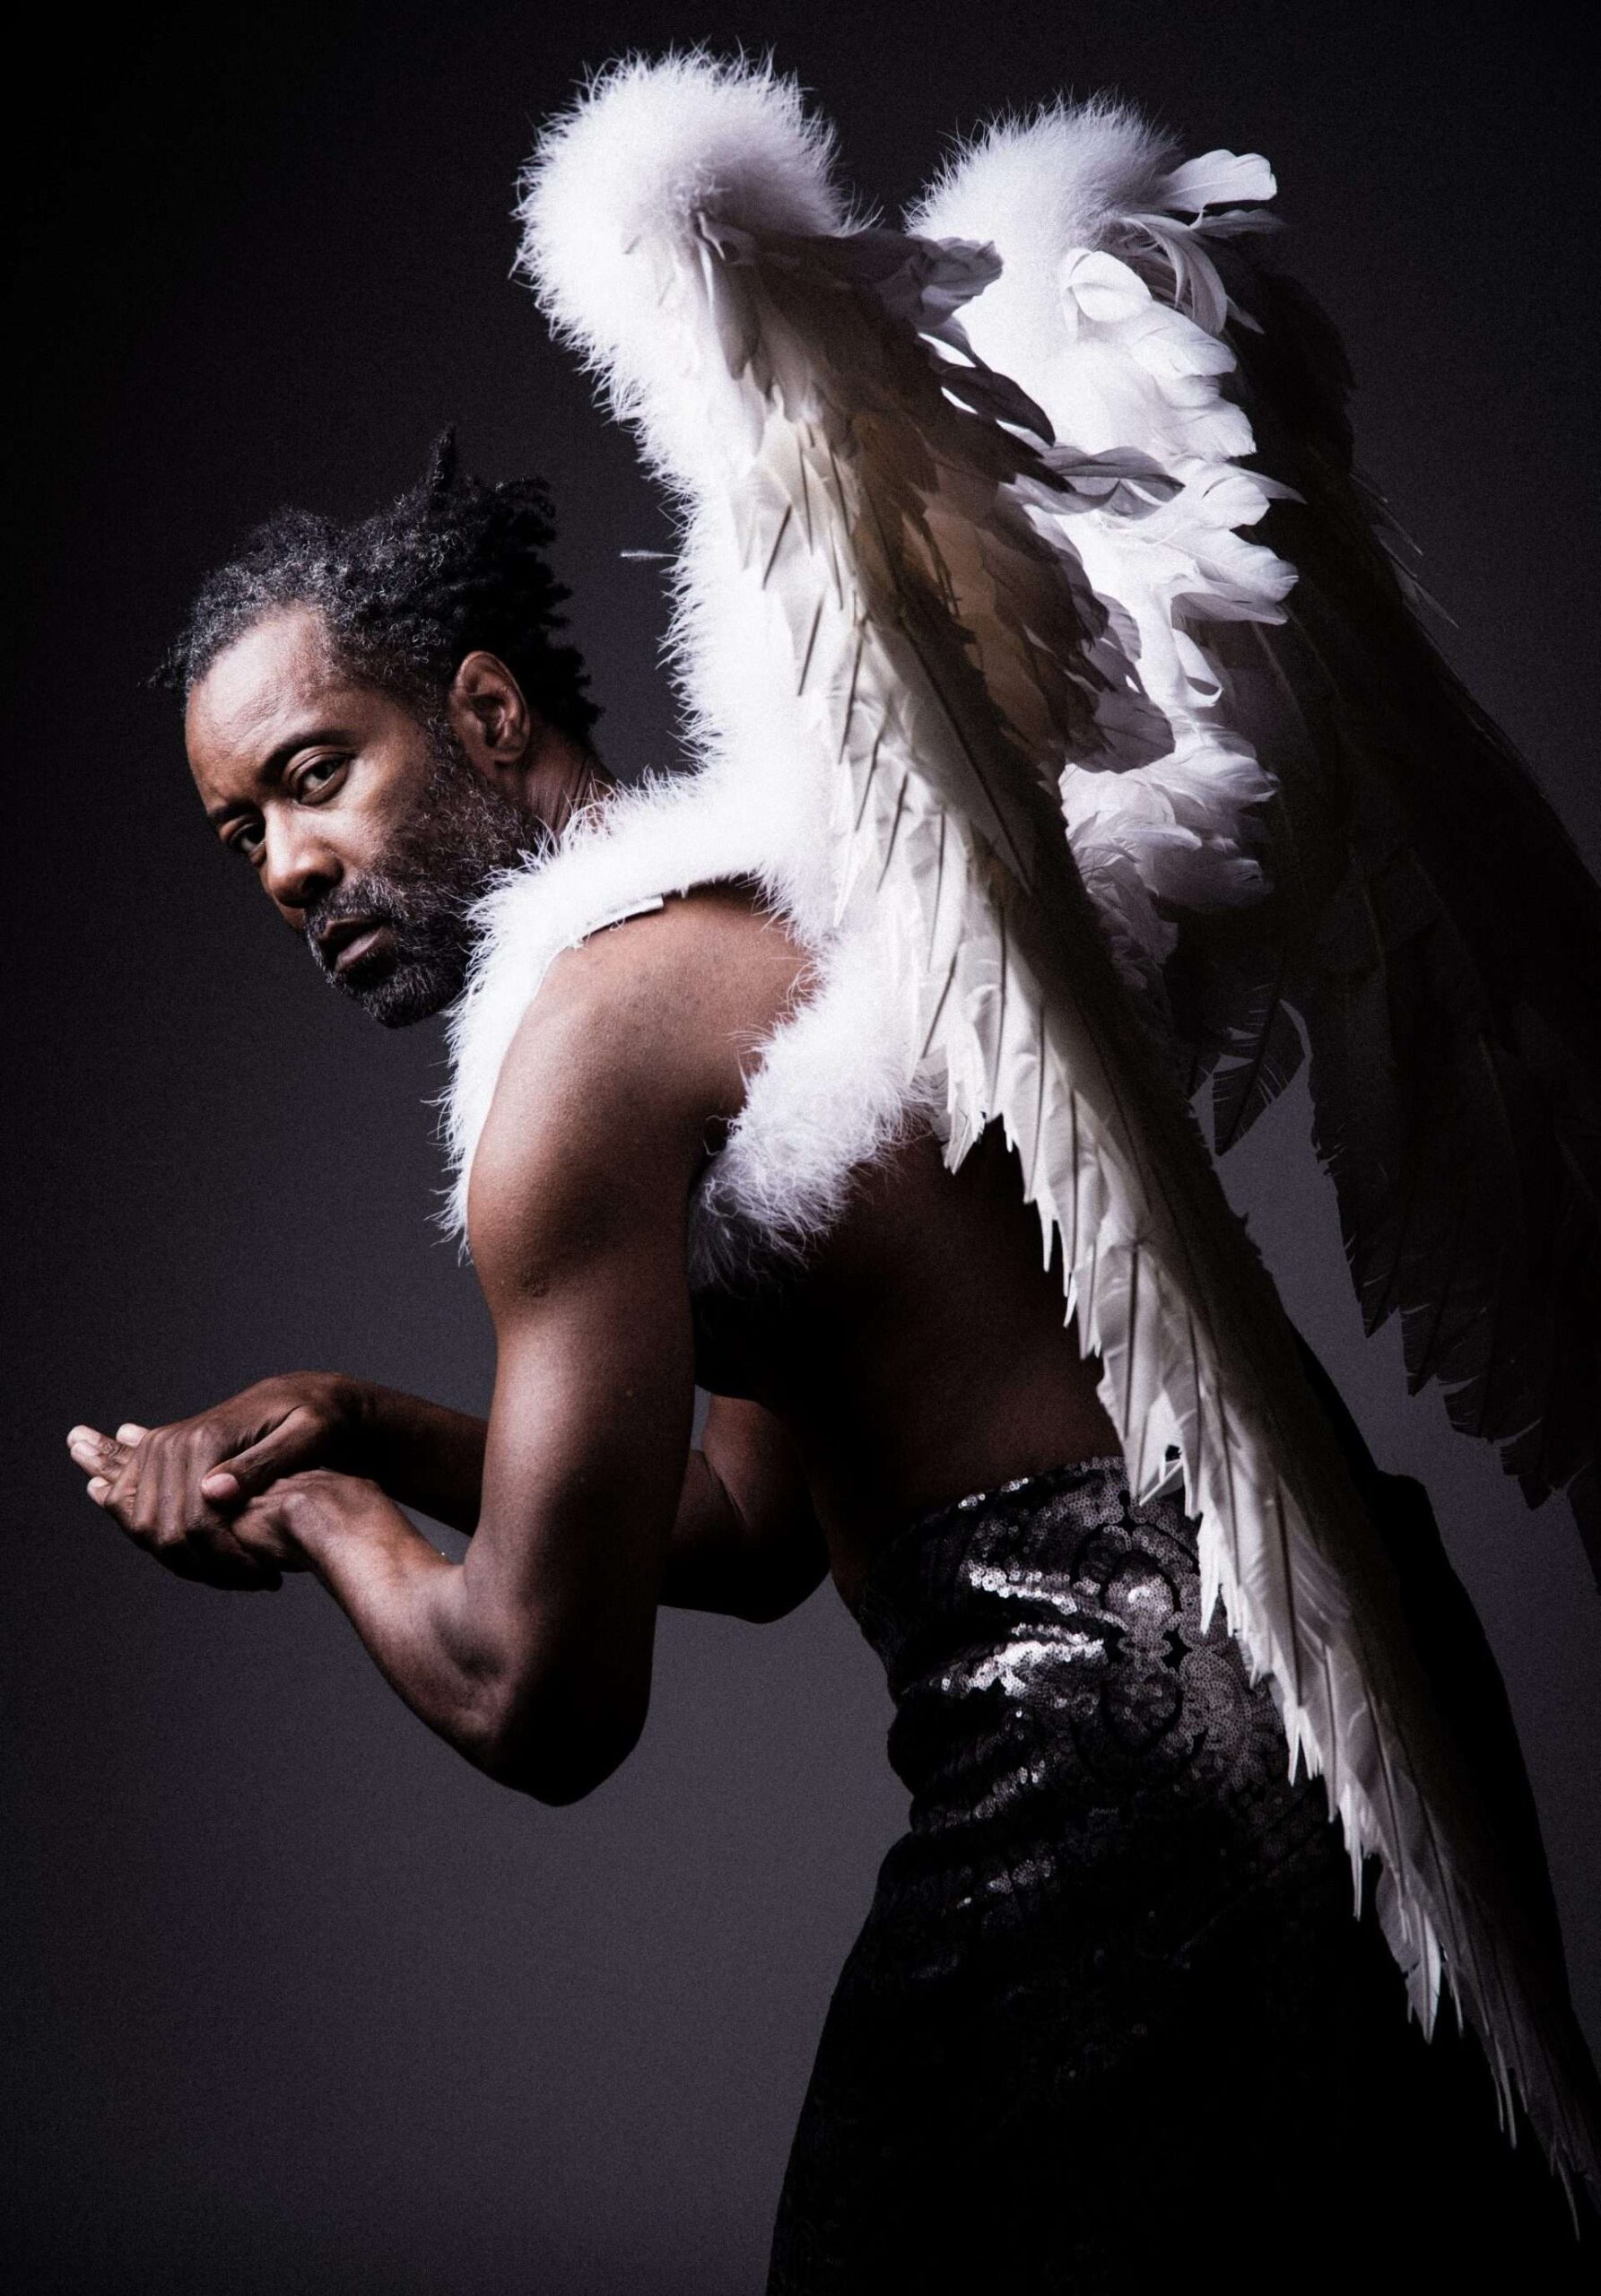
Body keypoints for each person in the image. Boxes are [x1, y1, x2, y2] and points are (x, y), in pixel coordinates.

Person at [66, 443, 1596, 2287]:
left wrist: (319, 1514)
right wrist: (364, 1422)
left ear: (482, 709)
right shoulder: (779, 912)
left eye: (317, 774)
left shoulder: (589, 1049)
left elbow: (534, 1698)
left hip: (1126, 1726)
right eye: (241, 833)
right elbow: (746, 1519)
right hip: (1345, 1670)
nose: (293, 867)